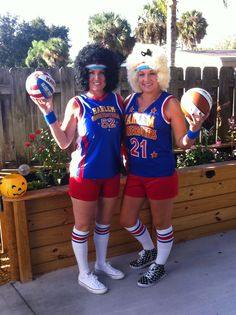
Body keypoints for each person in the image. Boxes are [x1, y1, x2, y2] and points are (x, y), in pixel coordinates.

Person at [30, 43, 125, 294]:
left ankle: (102, 263)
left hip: (112, 173)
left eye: (102, 72)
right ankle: (85, 273)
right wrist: (49, 113)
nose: (97, 78)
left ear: (109, 74)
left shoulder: (118, 100)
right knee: (83, 226)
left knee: (104, 224)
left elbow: (124, 135)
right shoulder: (77, 103)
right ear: (84, 74)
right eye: (92, 72)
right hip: (85, 175)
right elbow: (63, 142)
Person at [120, 43, 208, 288]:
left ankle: (159, 264)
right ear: (135, 75)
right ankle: (149, 249)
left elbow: (183, 143)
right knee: (127, 219)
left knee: (162, 224)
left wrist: (194, 129)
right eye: (141, 73)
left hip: (161, 174)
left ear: (161, 73)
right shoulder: (129, 101)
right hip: (136, 173)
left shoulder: (169, 103)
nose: (147, 78)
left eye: (152, 73)